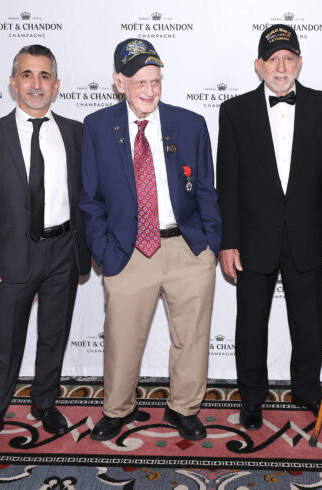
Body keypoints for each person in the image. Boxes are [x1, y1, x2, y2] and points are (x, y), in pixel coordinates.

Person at [79, 39, 221, 442]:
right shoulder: (96, 127)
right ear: (118, 82)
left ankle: (184, 408)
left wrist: (209, 245)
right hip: (128, 251)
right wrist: (105, 252)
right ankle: (117, 409)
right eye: (139, 81)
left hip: (186, 247)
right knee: (122, 340)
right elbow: (90, 199)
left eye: (155, 81)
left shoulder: (190, 124)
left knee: (191, 338)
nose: (149, 90)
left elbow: (208, 189)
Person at [216, 24, 322, 431]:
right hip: (253, 238)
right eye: (273, 59)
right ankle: (252, 398)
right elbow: (228, 182)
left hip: (308, 236)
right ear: (258, 66)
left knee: (308, 322)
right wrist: (228, 241)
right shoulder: (233, 112)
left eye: (289, 58)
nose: (281, 66)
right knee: (250, 323)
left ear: (300, 63)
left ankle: (306, 390)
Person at [0, 44, 91, 455]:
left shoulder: (76, 132)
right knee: (9, 341)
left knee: (53, 336)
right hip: (12, 257)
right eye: (27, 75)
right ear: (13, 81)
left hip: (63, 251)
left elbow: (88, 196)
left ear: (57, 85)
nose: (36, 85)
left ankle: (45, 402)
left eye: (44, 76)